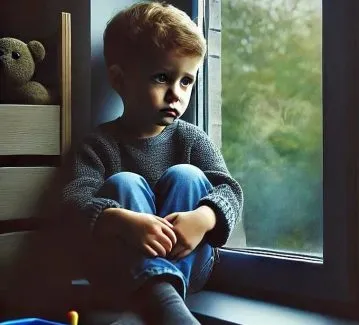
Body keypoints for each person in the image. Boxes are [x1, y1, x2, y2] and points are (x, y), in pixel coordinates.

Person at [61, 1, 243, 324]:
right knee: (124, 184)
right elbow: (73, 201)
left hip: (188, 261)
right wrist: (120, 221)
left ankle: (155, 298)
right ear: (119, 80)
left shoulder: (191, 138)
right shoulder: (98, 145)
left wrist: (203, 217)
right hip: (119, 267)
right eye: (162, 78)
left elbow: (228, 189)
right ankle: (163, 304)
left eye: (186, 81)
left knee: (187, 175)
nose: (176, 94)